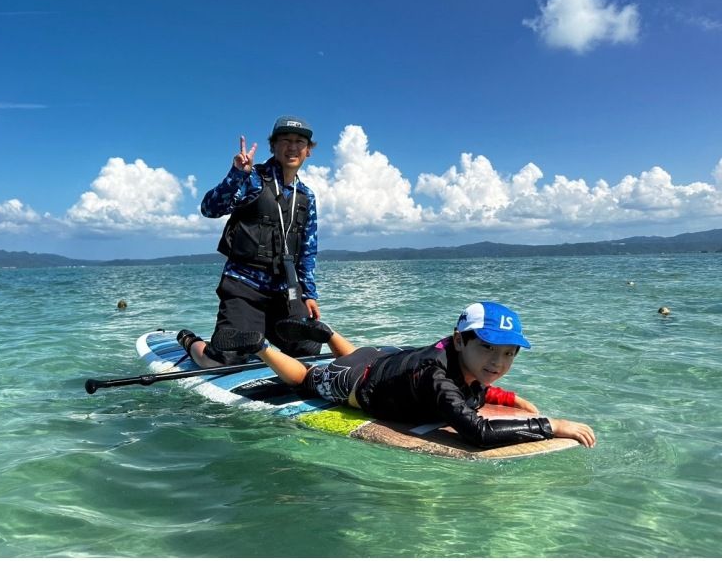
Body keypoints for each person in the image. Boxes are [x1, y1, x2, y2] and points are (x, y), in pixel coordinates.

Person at [209, 301, 597, 449]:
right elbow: (477, 433)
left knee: (363, 357)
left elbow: (478, 385)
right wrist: (551, 425)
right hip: (359, 381)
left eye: (509, 353)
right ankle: (261, 344)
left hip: (387, 362)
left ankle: (328, 333)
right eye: (489, 349)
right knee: (306, 379)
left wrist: (507, 398)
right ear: (460, 341)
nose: (498, 363)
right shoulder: (436, 377)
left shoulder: (456, 355)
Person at [179, 115, 324, 368]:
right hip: (245, 288)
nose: (292, 147)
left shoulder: (306, 196)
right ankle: (190, 341)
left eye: (299, 142)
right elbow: (209, 208)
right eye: (285, 140)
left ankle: (260, 335)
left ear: (308, 151)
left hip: (284, 292)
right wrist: (236, 174)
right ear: (273, 146)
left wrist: (309, 294)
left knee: (308, 350)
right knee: (224, 361)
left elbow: (308, 250)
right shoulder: (253, 179)